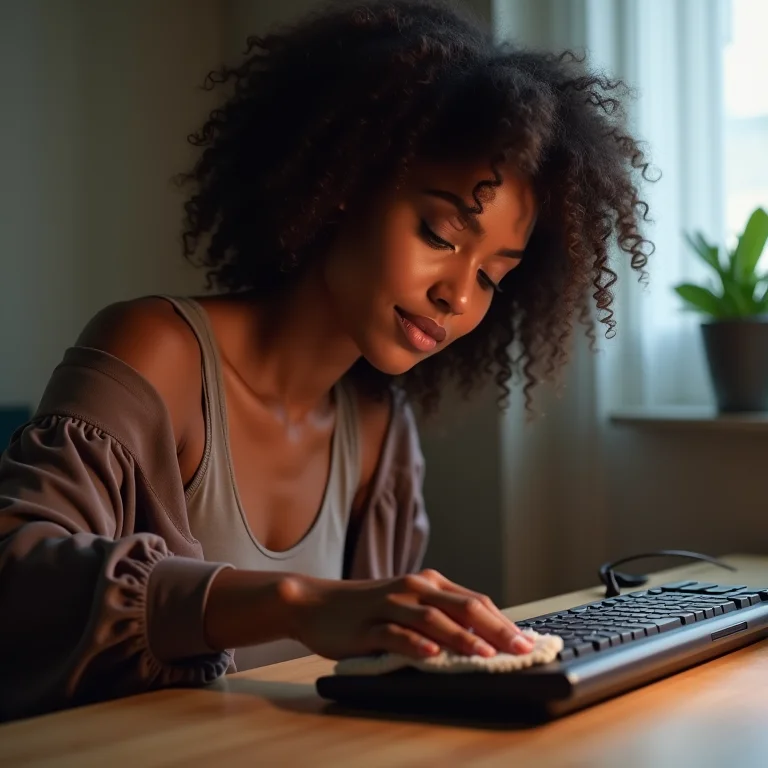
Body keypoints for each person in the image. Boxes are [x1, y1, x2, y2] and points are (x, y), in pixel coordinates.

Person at [0, 0, 653, 721]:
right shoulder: (155, 352)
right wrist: (295, 601)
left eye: (494, 275)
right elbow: (14, 581)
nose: (458, 294)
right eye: (439, 233)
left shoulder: (379, 430)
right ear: (346, 189)